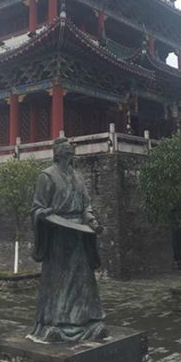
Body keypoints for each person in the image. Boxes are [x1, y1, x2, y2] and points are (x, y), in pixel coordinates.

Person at [28, 137, 108, 343]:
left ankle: (86, 321)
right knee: (59, 280)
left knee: (83, 281)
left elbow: (86, 206)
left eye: (70, 154)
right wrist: (44, 214)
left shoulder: (79, 178)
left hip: (79, 232)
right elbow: (37, 207)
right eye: (65, 153)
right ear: (57, 155)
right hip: (58, 234)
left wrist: (91, 221)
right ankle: (56, 323)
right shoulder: (47, 176)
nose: (68, 157)